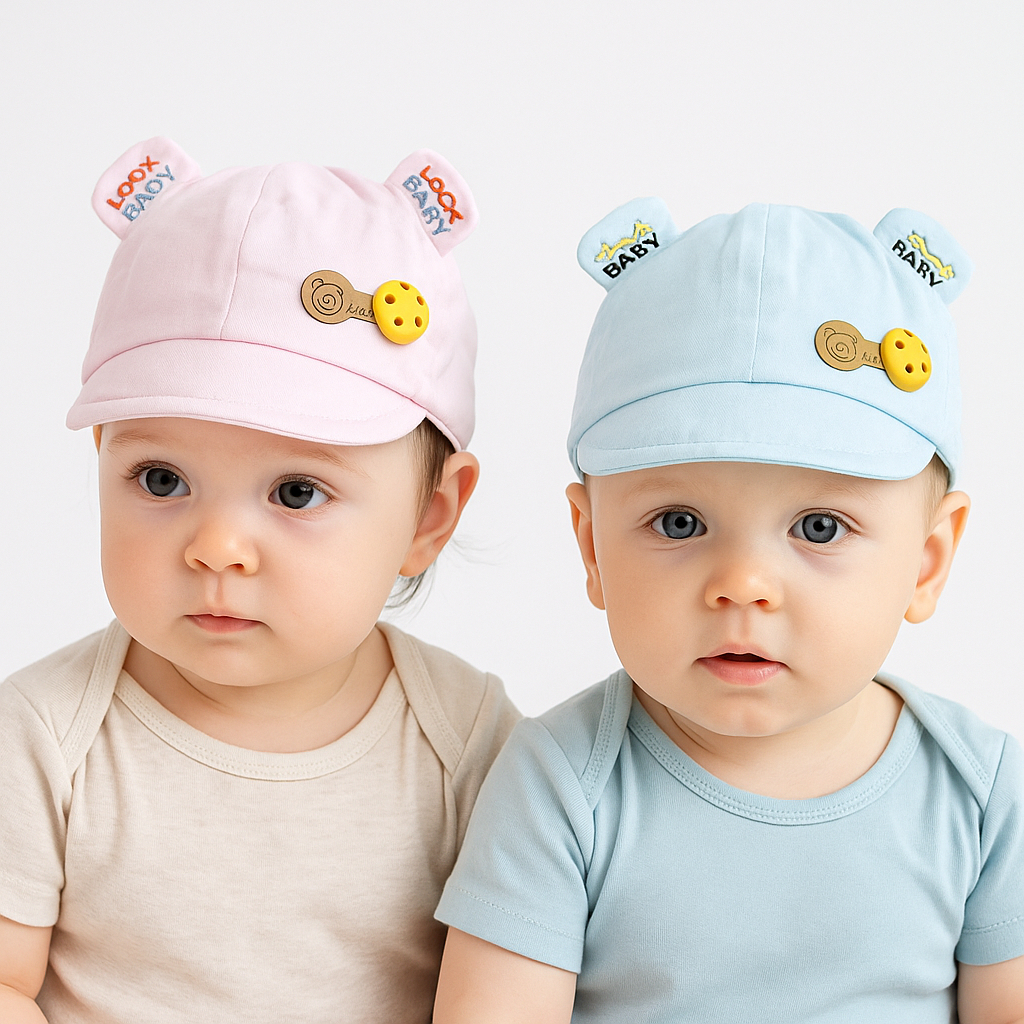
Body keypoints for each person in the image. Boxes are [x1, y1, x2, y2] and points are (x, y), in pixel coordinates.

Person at [432, 198, 1024, 1022]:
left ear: (927, 562)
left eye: (820, 527)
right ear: (593, 546)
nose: (743, 584)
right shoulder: (562, 783)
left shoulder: (983, 796)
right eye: (680, 523)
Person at [0, 137, 519, 1023]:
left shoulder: (467, 741)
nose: (217, 549)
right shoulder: (44, 738)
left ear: (429, 517)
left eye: (296, 491)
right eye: (161, 479)